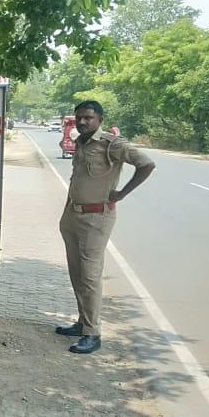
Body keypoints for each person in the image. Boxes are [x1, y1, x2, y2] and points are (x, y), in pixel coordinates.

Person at [56, 101, 155, 354]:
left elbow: (146, 164)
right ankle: (81, 323)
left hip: (96, 218)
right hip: (73, 216)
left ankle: (92, 333)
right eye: (79, 118)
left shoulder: (112, 144)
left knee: (90, 276)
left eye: (88, 117)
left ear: (99, 119)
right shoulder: (81, 142)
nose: (82, 122)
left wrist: (122, 193)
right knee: (77, 273)